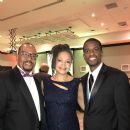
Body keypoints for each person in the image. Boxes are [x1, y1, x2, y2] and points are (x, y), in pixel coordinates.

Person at [81, 38, 130, 130]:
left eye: (95, 49)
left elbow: (125, 114)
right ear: (84, 55)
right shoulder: (83, 80)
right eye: (87, 51)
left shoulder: (117, 77)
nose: (91, 53)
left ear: (101, 52)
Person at [0, 42, 47, 130]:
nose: (29, 58)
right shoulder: (4, 78)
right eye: (25, 54)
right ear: (17, 56)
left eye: (33, 55)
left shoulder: (38, 81)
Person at [43, 44, 84, 130]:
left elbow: (86, 108)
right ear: (54, 61)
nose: (63, 65)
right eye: (60, 60)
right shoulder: (45, 83)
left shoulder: (76, 83)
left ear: (70, 64)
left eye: (67, 61)